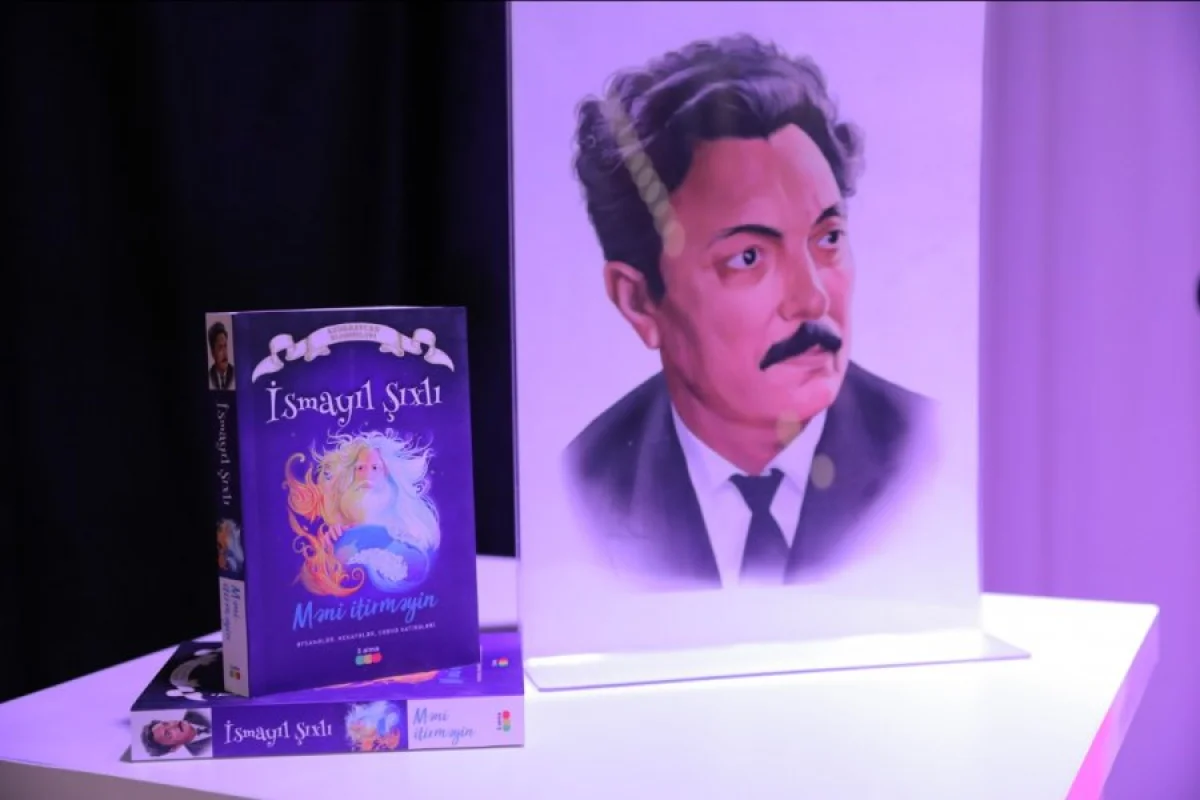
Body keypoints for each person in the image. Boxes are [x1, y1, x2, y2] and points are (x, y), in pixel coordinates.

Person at [564, 34, 935, 591]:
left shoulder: (926, 459)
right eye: (748, 257)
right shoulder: (582, 488)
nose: (812, 298)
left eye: (828, 238)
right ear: (639, 302)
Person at [141, 710, 213, 758]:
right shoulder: (199, 753)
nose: (173, 725)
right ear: (175, 747)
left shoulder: (195, 711)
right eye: (168, 734)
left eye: (166, 723)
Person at [208, 321, 235, 390]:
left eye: (225, 346)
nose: (224, 352)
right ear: (213, 353)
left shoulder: (235, 374)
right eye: (220, 348)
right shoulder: (209, 377)